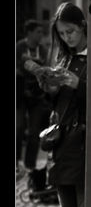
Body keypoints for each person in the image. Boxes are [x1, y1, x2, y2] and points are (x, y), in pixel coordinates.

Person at [38, 3, 88, 207]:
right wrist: (50, 88)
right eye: (62, 33)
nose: (67, 38)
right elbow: (56, 107)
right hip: (62, 147)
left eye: (70, 31)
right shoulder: (64, 59)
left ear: (83, 26)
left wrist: (79, 84)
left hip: (84, 145)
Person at [16, 19, 52, 191]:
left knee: (35, 132)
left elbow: (46, 69)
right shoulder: (19, 47)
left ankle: (30, 166)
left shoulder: (43, 49)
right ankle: (16, 164)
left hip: (37, 97)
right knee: (19, 126)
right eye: (38, 32)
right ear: (29, 33)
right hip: (20, 95)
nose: (40, 35)